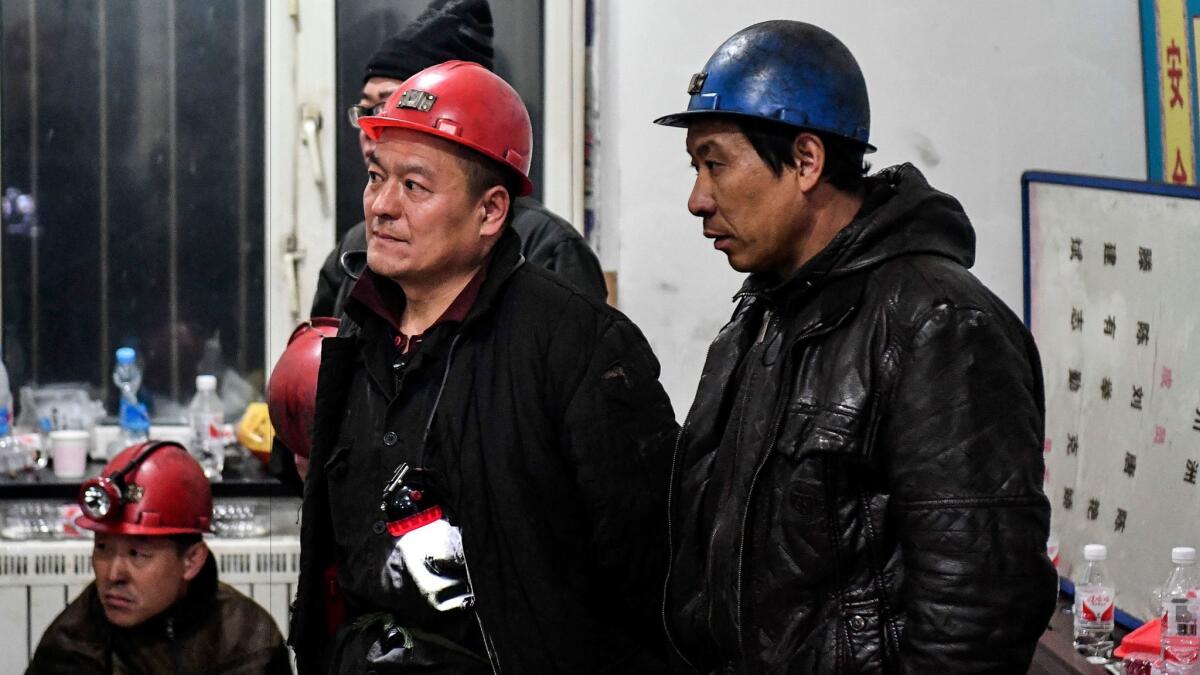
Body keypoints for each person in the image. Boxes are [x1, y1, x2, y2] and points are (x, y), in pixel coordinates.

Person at [654, 20, 1057, 672]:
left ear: (807, 161)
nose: (698, 198)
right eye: (695, 166)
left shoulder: (939, 326)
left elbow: (977, 617)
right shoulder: (762, 314)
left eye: (716, 163)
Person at [288, 60, 677, 674]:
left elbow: (647, 577)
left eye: (414, 186)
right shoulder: (357, 325)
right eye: (374, 177)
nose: (381, 207)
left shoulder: (578, 345)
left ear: (491, 212)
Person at [311, 0, 607, 319]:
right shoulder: (359, 246)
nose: (373, 129)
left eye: (390, 108)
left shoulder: (547, 249)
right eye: (366, 111)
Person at [28, 441, 290, 674]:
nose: (113, 575)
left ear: (191, 561)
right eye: (103, 548)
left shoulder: (247, 641)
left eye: (138, 554)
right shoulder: (73, 645)